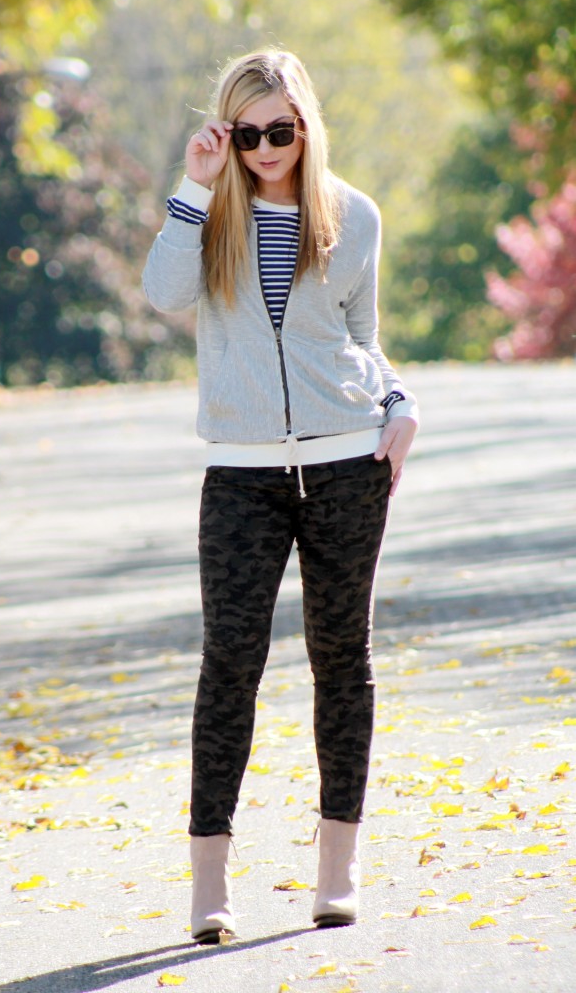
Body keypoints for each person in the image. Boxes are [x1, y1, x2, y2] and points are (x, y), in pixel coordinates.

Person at [142, 49, 418, 944]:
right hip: (242, 474)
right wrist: (194, 187)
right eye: (249, 132)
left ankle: (337, 871)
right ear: (230, 133)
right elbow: (162, 294)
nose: (267, 149)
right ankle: (208, 885)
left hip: (347, 463)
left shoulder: (351, 216)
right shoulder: (208, 218)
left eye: (281, 131)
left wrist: (397, 401)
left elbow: (360, 336)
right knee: (230, 664)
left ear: (306, 125)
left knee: (343, 661)